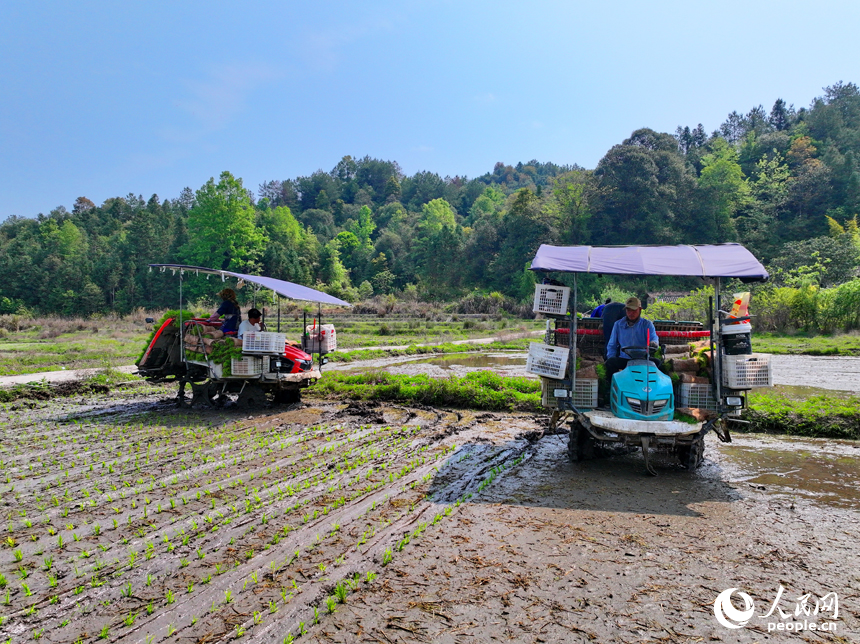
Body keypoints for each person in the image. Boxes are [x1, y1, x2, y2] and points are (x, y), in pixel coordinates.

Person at [604, 296, 658, 381]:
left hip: (643, 359)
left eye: (634, 310)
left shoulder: (647, 324)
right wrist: (611, 357)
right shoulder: (618, 325)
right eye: (628, 310)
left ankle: (653, 387)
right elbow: (612, 345)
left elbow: (654, 338)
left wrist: (654, 343)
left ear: (640, 310)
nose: (631, 313)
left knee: (659, 364)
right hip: (625, 359)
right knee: (610, 363)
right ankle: (613, 385)